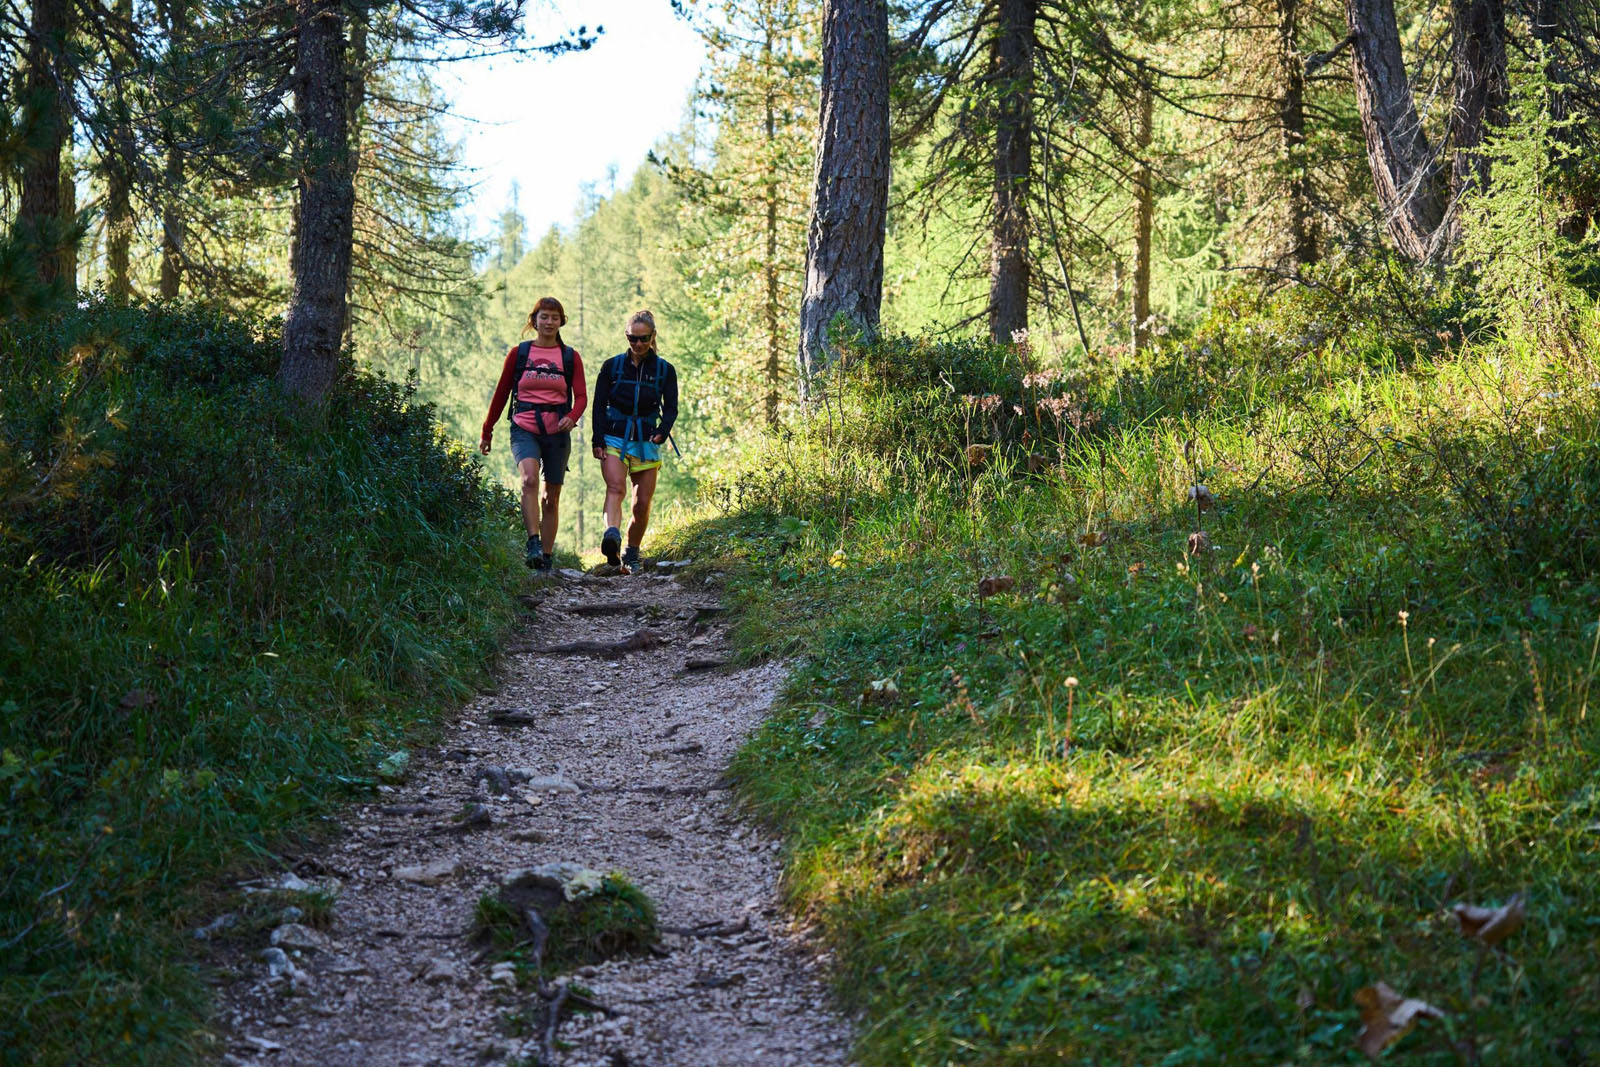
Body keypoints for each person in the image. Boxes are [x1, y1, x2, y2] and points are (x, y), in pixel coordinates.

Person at [480, 296, 587, 571]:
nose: (549, 322)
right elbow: (502, 393)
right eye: (544, 316)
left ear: (561, 321)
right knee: (529, 480)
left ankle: (546, 559)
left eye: (554, 317)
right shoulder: (520, 354)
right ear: (534, 320)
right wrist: (487, 430)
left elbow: (582, 397)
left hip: (557, 431)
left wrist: (572, 417)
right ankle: (533, 542)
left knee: (551, 496)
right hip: (523, 427)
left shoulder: (569, 357)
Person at [592, 309, 678, 574]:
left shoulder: (665, 370)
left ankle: (631, 553)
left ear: (653, 337)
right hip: (614, 437)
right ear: (626, 337)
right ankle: (612, 534)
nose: (638, 344)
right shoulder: (611, 366)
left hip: (646, 441)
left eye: (643, 338)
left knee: (641, 504)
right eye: (632, 338)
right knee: (615, 488)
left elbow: (671, 407)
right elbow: (598, 404)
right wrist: (597, 439)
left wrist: (663, 430)